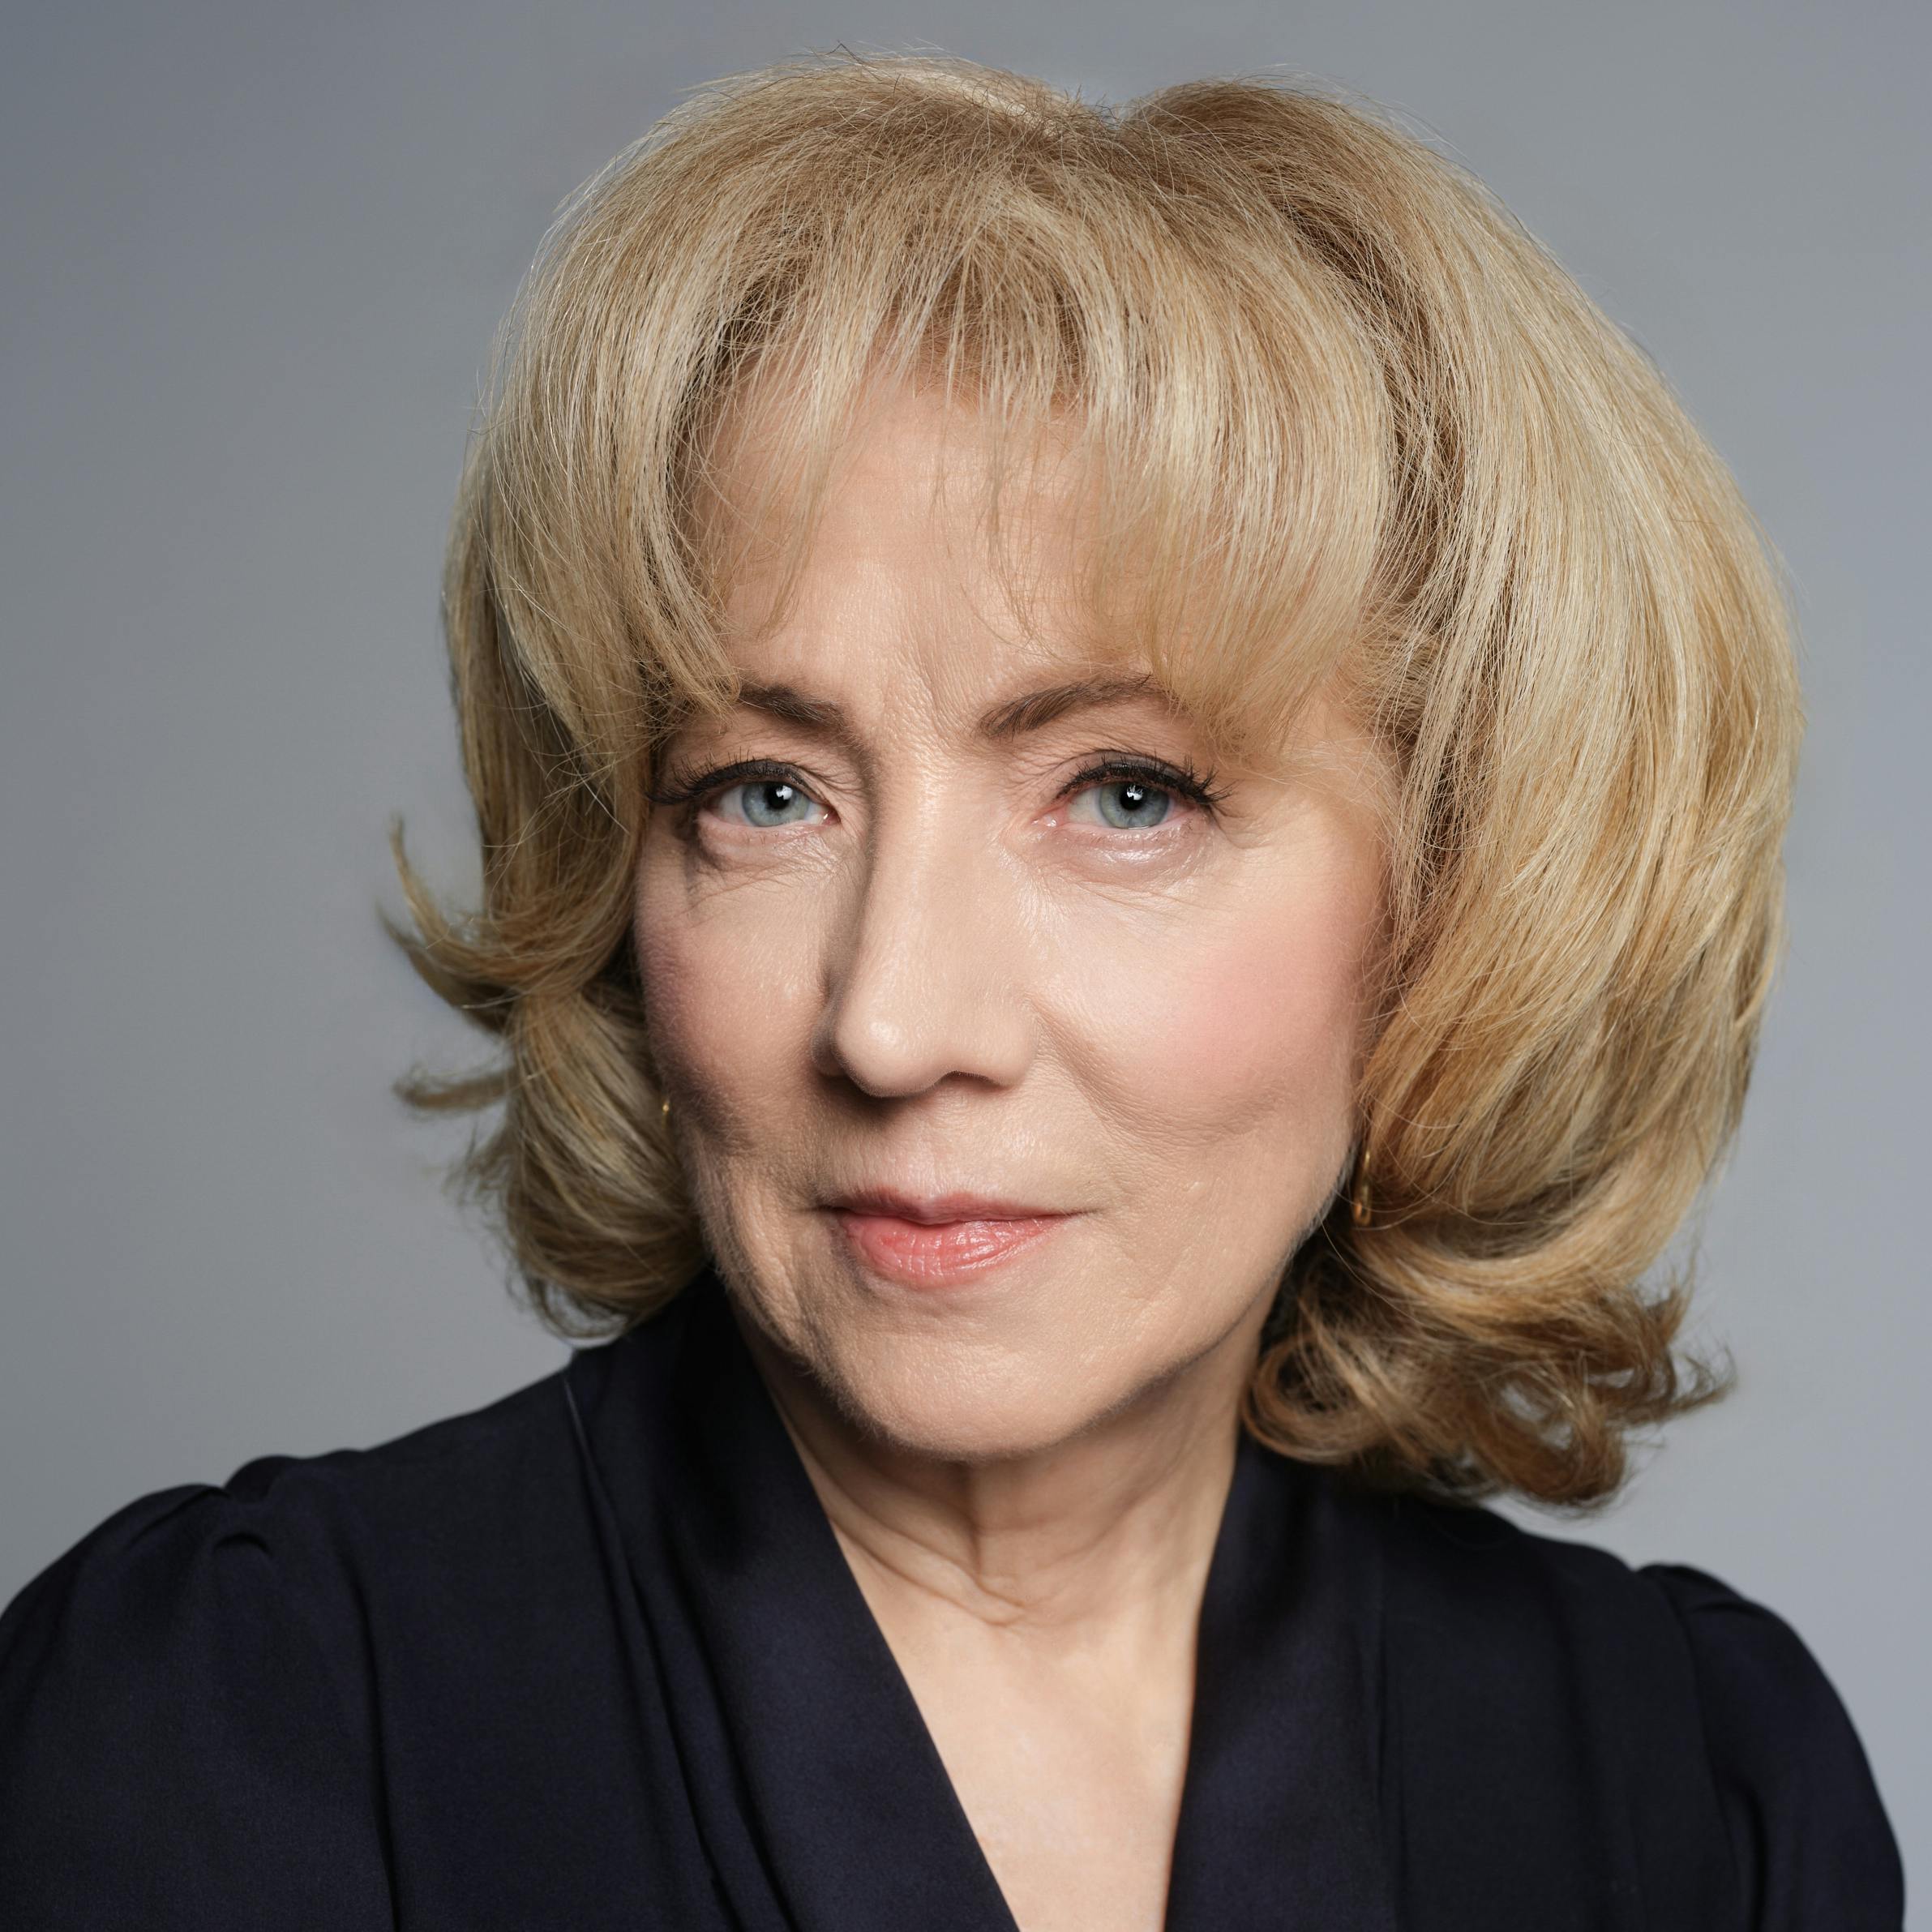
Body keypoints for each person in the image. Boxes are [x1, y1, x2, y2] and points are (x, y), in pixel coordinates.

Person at [0, 49, 1904, 1931]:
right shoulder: (231, 1724)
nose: (889, 1023)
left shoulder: (1695, 1795)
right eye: (765, 794)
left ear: (1463, 892)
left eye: (1126, 795)